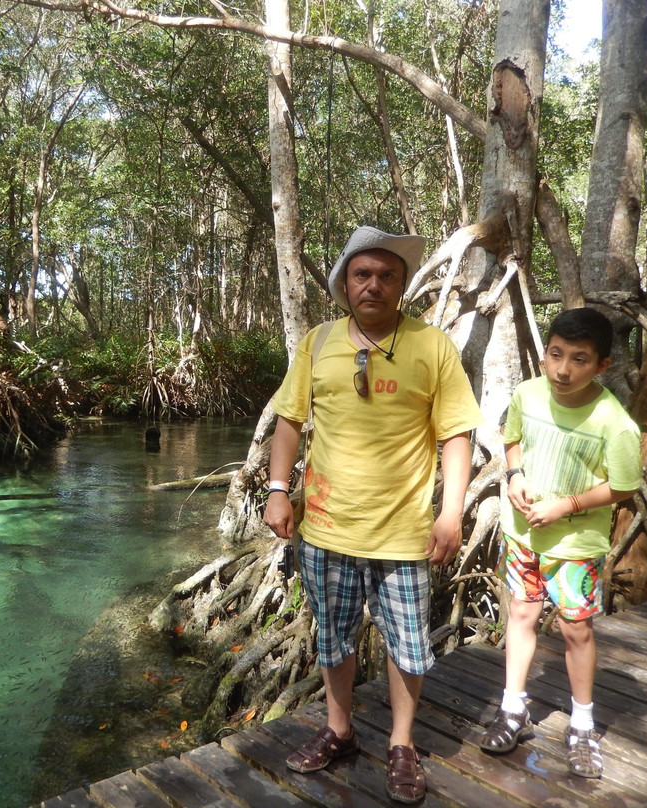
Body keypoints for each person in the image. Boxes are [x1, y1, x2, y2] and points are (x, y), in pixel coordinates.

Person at [263, 225, 481, 805]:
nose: (374, 285)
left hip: (404, 534)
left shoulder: (432, 346)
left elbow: (456, 435)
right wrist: (278, 489)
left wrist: (451, 513)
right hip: (326, 528)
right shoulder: (318, 343)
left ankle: (402, 744)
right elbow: (289, 422)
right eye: (363, 274)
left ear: (403, 285)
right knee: (333, 637)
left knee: (408, 645)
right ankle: (339, 730)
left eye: (387, 276)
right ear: (345, 282)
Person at [478, 307, 641, 780]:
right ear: (544, 354)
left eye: (579, 359)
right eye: (555, 354)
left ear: (602, 365)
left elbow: (624, 486)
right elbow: (512, 440)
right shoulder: (528, 394)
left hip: (574, 545)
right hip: (523, 534)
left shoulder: (614, 422)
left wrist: (565, 506)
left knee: (576, 630)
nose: (563, 369)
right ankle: (513, 708)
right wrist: (515, 475)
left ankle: (583, 726)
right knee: (521, 614)